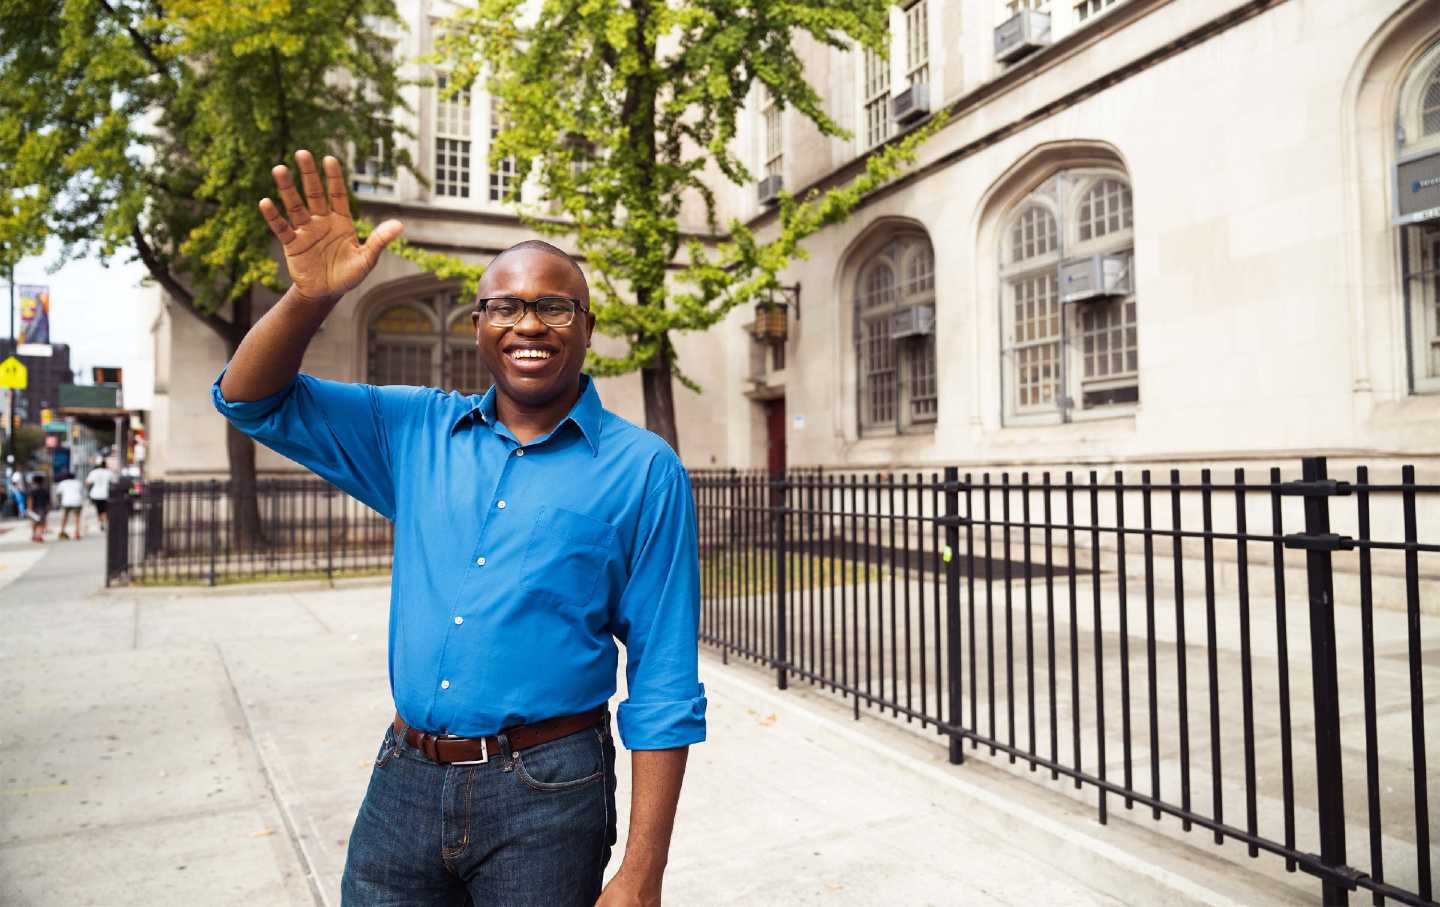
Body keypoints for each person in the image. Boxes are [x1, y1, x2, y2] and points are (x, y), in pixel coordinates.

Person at [213, 150, 706, 906]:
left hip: (551, 792)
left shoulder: (643, 471)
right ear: (478, 325)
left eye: (554, 306)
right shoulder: (412, 431)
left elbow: (665, 682)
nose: (528, 325)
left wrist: (644, 869)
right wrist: (309, 299)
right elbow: (250, 399)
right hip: (403, 781)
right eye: (505, 307)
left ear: (586, 326)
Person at [84, 460, 116, 530]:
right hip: (106, 494)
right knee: (106, 510)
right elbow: (114, 482)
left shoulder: (93, 472)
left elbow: (87, 483)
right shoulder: (109, 472)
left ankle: (101, 523)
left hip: (95, 495)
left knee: (99, 510)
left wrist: (90, 488)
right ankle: (105, 523)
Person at [54, 471, 84, 539]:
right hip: (77, 501)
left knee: (64, 517)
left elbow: (58, 494)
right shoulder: (78, 483)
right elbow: (81, 492)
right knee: (77, 517)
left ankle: (62, 531)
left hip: (66, 501)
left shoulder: (62, 483)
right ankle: (77, 533)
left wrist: (60, 501)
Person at [26, 473, 50, 543]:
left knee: (34, 523)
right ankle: (38, 536)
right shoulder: (45, 490)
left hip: (34, 509)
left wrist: (29, 510)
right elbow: (47, 502)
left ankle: (34, 535)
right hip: (42, 509)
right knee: (40, 523)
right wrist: (47, 510)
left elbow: (30, 500)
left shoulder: (32, 490)